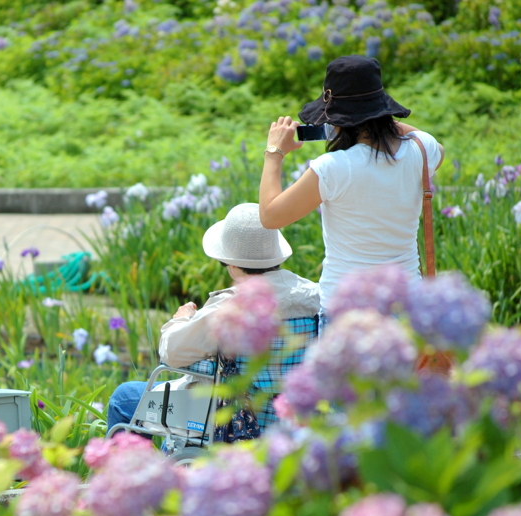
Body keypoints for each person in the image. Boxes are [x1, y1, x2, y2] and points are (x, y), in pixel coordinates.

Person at [256, 55, 444, 325]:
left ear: (337, 118)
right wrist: (384, 123)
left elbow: (271, 216)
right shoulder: (421, 150)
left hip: (347, 313)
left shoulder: (335, 167)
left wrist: (274, 152)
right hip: (408, 308)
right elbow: (433, 145)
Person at [105, 202, 320, 437]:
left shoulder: (232, 306)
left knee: (123, 397)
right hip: (291, 419)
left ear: (231, 264)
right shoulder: (313, 295)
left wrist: (182, 319)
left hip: (228, 419)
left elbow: (171, 354)